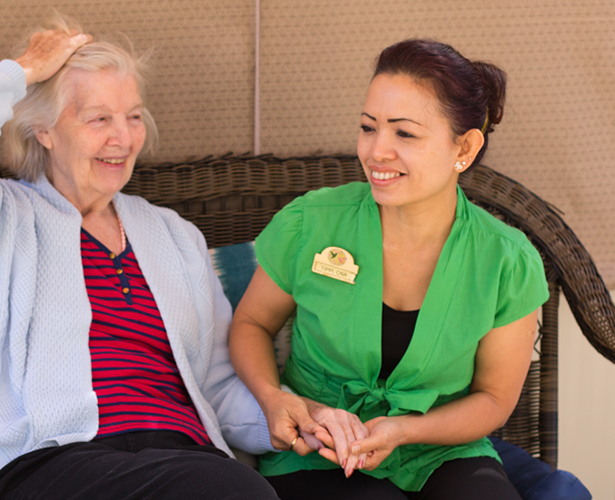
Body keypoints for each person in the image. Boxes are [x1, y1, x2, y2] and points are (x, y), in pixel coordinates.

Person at [0, 15, 279, 500]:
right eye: (99, 118)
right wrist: (24, 69)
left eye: (134, 116)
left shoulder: (173, 235)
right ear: (44, 130)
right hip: (44, 464)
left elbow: (218, 388)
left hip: (181, 458)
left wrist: (287, 419)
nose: (122, 138)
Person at [228, 39, 549, 500]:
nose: (377, 151)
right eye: (367, 127)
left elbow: (493, 400)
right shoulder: (310, 224)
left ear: (465, 146)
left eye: (404, 134)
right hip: (320, 448)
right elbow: (252, 323)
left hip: (440, 450)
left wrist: (403, 431)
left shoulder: (507, 261)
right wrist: (276, 399)